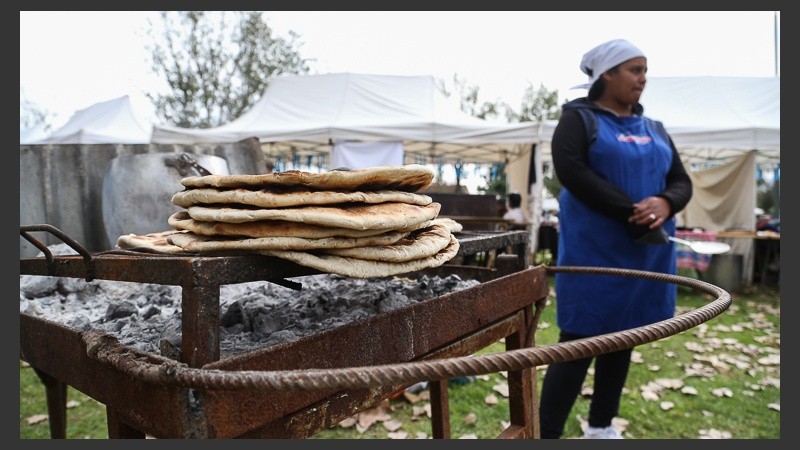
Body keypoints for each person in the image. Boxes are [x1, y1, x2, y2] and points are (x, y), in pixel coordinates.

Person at [539, 38, 693, 439]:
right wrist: (632, 210)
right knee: (579, 339)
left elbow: (680, 180)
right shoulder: (579, 119)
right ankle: (545, 433)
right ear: (608, 73)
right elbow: (571, 171)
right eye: (635, 69)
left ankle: (602, 426)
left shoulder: (655, 128)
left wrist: (664, 201)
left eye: (645, 70)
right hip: (595, 249)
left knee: (626, 334)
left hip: (646, 250)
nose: (643, 78)